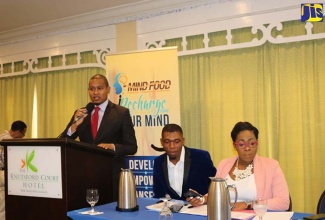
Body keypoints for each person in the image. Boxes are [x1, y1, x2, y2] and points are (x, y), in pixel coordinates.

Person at [60, 74, 138, 200]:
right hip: (86, 176)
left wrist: (112, 147)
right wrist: (74, 126)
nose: (95, 92)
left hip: (111, 176)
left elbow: (132, 147)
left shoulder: (121, 113)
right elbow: (62, 141)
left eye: (100, 88)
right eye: (92, 89)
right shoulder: (81, 113)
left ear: (108, 89)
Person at [188, 121, 290, 211]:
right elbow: (216, 194)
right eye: (241, 144)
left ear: (257, 143)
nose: (247, 148)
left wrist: (248, 205)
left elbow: (284, 202)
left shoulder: (271, 166)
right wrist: (202, 199)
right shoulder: (224, 164)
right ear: (234, 146)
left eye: (251, 143)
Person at [153, 123, 216, 204]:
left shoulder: (201, 157)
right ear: (161, 142)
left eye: (176, 141)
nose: (172, 146)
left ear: (183, 140)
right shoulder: (158, 162)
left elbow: (215, 187)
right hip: (172, 213)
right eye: (167, 141)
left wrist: (203, 199)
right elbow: (158, 194)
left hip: (199, 210)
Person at [0, 120, 27, 220]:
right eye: (23, 134)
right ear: (17, 132)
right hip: (3, 174)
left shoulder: (2, 136)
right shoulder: (7, 141)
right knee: (3, 206)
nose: (23, 137)